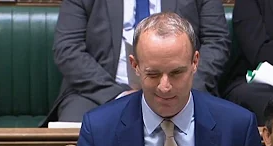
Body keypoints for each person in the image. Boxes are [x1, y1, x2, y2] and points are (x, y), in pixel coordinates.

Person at [64, 12, 273, 146]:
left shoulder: (237, 127)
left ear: (195, 62)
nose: (164, 87)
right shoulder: (100, 129)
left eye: (176, 73)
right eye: (153, 74)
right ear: (134, 66)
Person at [40, 0, 230, 127]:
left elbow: (217, 41)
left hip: (182, 88)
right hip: (97, 92)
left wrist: (183, 87)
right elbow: (68, 48)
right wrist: (118, 94)